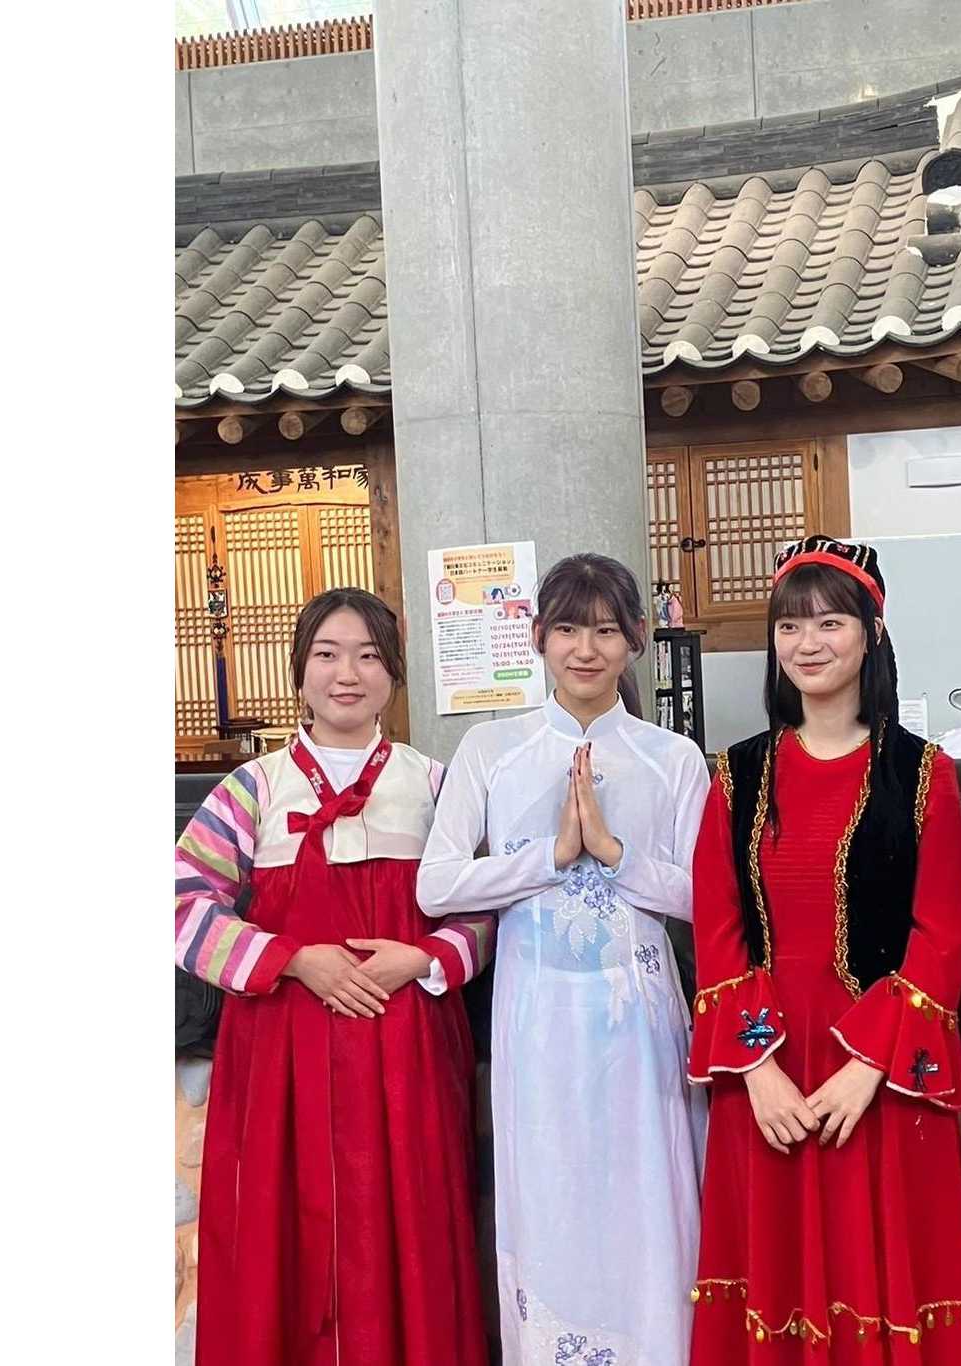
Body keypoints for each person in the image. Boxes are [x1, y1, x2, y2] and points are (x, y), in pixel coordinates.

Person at [686, 536, 961, 1364]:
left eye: (830, 622)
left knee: (883, 1262)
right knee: (774, 1268)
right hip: (768, 1067)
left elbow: (942, 933)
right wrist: (756, 1070)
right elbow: (717, 930)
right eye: (789, 626)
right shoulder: (736, 775)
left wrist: (868, 1066)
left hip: (882, 1071)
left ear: (871, 633)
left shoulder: (920, 772)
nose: (807, 643)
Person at [174, 587, 495, 1366]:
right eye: (327, 654)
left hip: (408, 1045)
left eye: (368, 656)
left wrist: (423, 956)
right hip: (280, 1052)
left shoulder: (436, 785)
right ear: (299, 671)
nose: (346, 674)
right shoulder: (253, 788)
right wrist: (292, 958)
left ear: (394, 674)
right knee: (283, 1232)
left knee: (412, 1223)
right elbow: (179, 904)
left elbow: (488, 908)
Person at [417, 552, 711, 1366]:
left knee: (649, 1199)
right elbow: (437, 885)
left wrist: (614, 854)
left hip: (640, 1025)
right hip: (536, 1019)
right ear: (538, 635)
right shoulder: (490, 747)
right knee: (546, 1193)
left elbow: (708, 900)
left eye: (607, 631)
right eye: (569, 630)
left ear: (637, 639)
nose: (586, 650)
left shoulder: (673, 758)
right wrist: (549, 856)